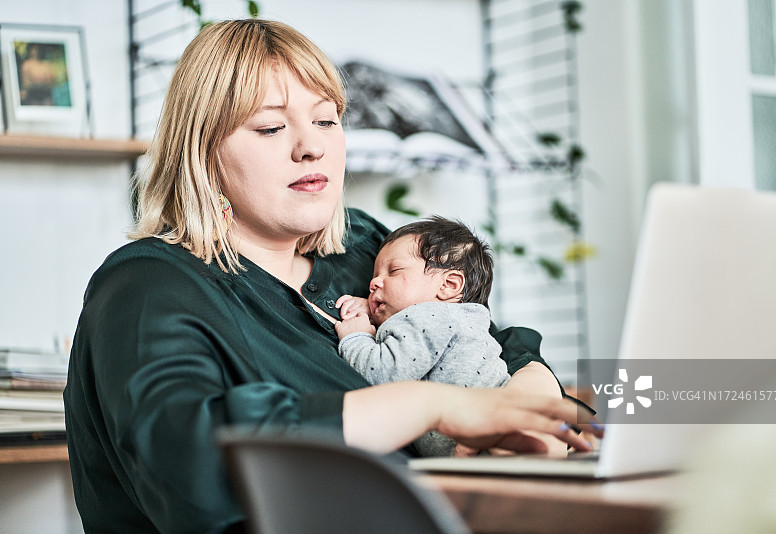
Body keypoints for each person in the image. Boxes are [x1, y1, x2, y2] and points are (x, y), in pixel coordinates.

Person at [63, 19, 602, 534]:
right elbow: (190, 467)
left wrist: (534, 399)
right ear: (203, 155)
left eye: (326, 120)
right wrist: (433, 406)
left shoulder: (365, 246)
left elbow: (484, 339)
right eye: (272, 127)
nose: (311, 146)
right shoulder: (145, 287)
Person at [335, 216, 512, 456]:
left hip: (489, 442)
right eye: (374, 276)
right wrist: (373, 309)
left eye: (394, 271)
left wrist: (356, 336)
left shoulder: (430, 316)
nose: (374, 282)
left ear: (449, 285)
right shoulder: (456, 321)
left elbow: (384, 374)